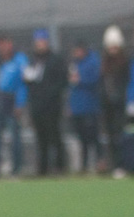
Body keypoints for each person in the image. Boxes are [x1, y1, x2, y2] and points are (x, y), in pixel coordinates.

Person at [23, 29, 69, 175]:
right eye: (38, 42)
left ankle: (60, 166)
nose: (40, 45)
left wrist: (49, 94)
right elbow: (29, 81)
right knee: (40, 138)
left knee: (55, 136)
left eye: (42, 41)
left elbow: (62, 81)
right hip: (37, 106)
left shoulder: (55, 60)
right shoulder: (33, 61)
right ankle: (42, 169)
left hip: (52, 106)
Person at [0, 34, 28, 177]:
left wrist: (20, 103)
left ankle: (16, 169)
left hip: (12, 104)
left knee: (15, 138)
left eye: (4, 43)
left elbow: (23, 84)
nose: (2, 47)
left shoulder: (19, 60)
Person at [100, 25, 130, 178]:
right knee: (111, 136)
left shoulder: (125, 63)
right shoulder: (105, 64)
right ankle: (115, 165)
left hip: (121, 106)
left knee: (122, 136)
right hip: (108, 106)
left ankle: (124, 165)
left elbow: (127, 84)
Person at [67, 40, 102, 174]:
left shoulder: (93, 62)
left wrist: (80, 80)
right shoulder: (74, 64)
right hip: (77, 107)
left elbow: (94, 80)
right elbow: (71, 86)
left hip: (90, 107)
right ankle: (84, 165)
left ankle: (100, 162)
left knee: (93, 136)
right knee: (81, 137)